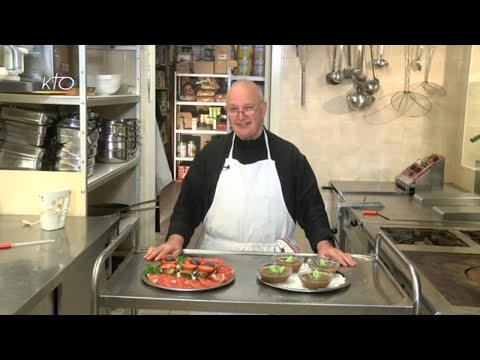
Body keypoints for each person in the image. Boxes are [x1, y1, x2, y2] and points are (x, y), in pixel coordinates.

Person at [145, 80, 355, 267]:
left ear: (263, 109)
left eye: (248, 108)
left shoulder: (289, 156)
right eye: (234, 109)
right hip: (216, 260)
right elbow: (188, 205)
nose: (241, 117)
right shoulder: (211, 155)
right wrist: (175, 238)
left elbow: (311, 207)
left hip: (276, 264)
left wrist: (323, 243)